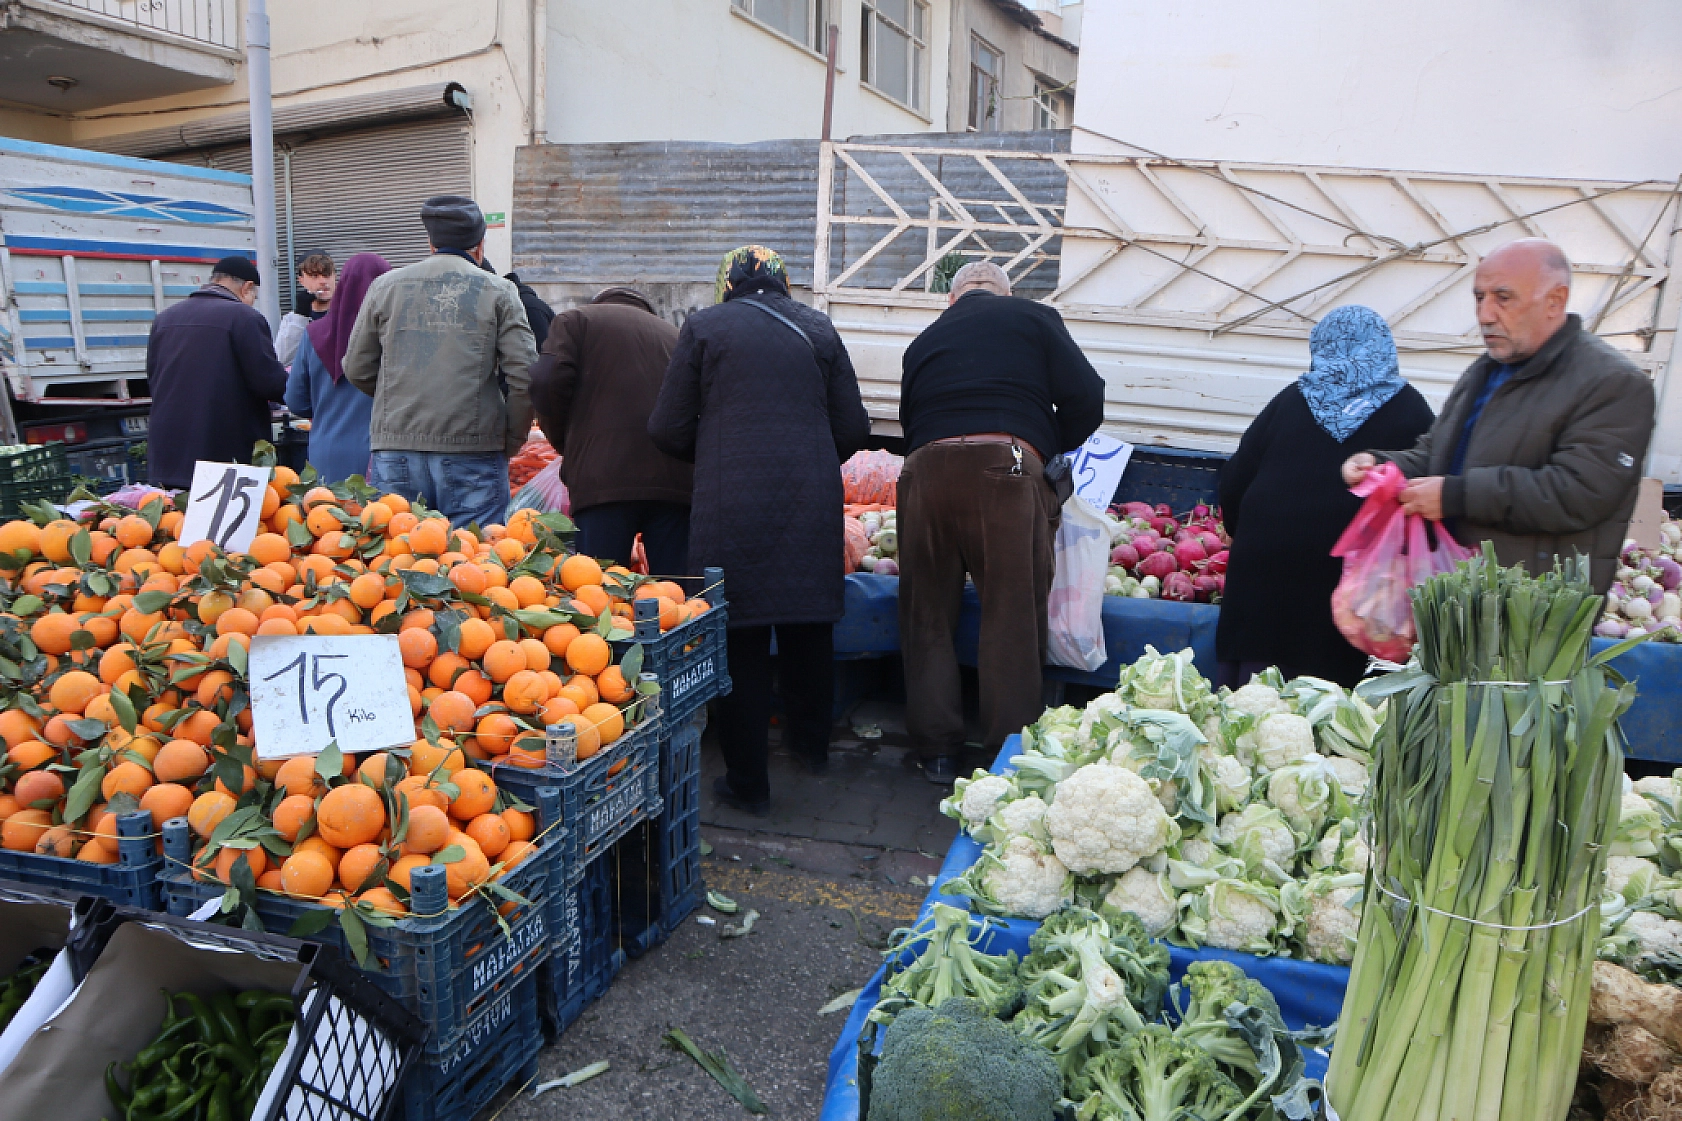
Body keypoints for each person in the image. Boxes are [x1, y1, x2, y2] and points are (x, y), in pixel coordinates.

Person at [648, 246, 870, 815]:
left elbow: (668, 427)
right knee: (808, 627)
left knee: (739, 639)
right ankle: (811, 753)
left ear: (728, 282)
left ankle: (748, 784)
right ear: (783, 282)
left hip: (730, 505)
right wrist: (811, 457)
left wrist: (722, 448)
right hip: (809, 503)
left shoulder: (703, 327)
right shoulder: (819, 328)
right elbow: (853, 426)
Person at [1343, 238, 1657, 593]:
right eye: (1479, 297)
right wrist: (1383, 465)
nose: (1484, 314)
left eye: (1503, 298)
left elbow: (1580, 493)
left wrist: (1455, 496)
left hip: (1533, 613)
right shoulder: (1487, 369)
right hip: (1457, 596)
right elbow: (1438, 453)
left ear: (1555, 301)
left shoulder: (1614, 383)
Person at [896, 261, 1106, 784]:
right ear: (1005, 293)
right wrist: (1043, 444)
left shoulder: (923, 341)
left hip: (924, 473)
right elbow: (1087, 396)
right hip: (1006, 471)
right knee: (1012, 617)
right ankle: (1005, 758)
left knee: (927, 615)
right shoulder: (1033, 317)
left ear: (952, 301)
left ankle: (937, 753)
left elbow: (910, 421)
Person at [1217, 306, 1434, 688]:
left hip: (1264, 575)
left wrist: (1239, 529)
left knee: (1249, 705)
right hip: (1349, 585)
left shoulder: (1291, 400)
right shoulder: (1411, 411)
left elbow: (1235, 480)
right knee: (1327, 709)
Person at [342, 196, 537, 529]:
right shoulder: (499, 291)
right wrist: (513, 436)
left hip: (396, 446)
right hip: (474, 448)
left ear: (430, 243)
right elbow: (525, 377)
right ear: (480, 245)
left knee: (398, 556)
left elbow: (357, 367)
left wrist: (403, 397)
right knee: (476, 562)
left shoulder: (385, 286)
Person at [529, 286, 693, 574]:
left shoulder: (576, 321)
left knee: (602, 591)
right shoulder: (675, 335)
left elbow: (545, 384)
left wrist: (566, 444)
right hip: (675, 483)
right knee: (676, 598)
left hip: (602, 481)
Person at [144, 255, 289, 490]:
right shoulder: (244, 318)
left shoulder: (164, 319)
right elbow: (268, 382)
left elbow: (154, 378)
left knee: (178, 524)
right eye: (254, 296)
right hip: (222, 459)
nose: (252, 302)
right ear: (247, 288)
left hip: (168, 457)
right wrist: (301, 390)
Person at [284, 253, 391, 484]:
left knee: (325, 518)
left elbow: (296, 402)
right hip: (381, 458)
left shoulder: (314, 333)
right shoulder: (392, 338)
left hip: (325, 456)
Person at [274, 252, 336, 367]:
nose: (323, 281)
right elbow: (282, 359)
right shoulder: (291, 319)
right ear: (301, 280)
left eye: (327, 275)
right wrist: (300, 317)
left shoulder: (346, 313)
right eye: (314, 276)